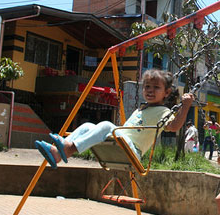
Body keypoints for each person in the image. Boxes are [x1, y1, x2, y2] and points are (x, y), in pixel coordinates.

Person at [35, 69, 194, 168]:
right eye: (147, 87)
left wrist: (185, 106)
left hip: (133, 150)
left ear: (166, 93)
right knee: (87, 126)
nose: (150, 91)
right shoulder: (142, 107)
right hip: (123, 143)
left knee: (105, 125)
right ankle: (59, 153)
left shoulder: (163, 111)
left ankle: (67, 148)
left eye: (156, 87)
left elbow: (174, 127)